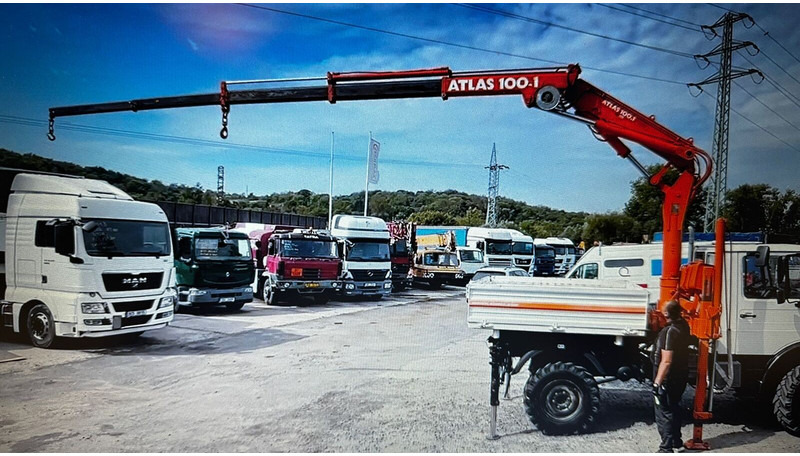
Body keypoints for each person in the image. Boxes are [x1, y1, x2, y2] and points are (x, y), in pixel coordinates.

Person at [652, 300, 691, 453]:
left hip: (668, 377)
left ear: (667, 313)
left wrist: (657, 383)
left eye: (663, 307)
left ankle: (665, 448)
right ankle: (676, 440)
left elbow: (666, 361)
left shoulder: (669, 332)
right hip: (681, 374)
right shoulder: (683, 326)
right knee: (674, 406)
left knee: (663, 410)